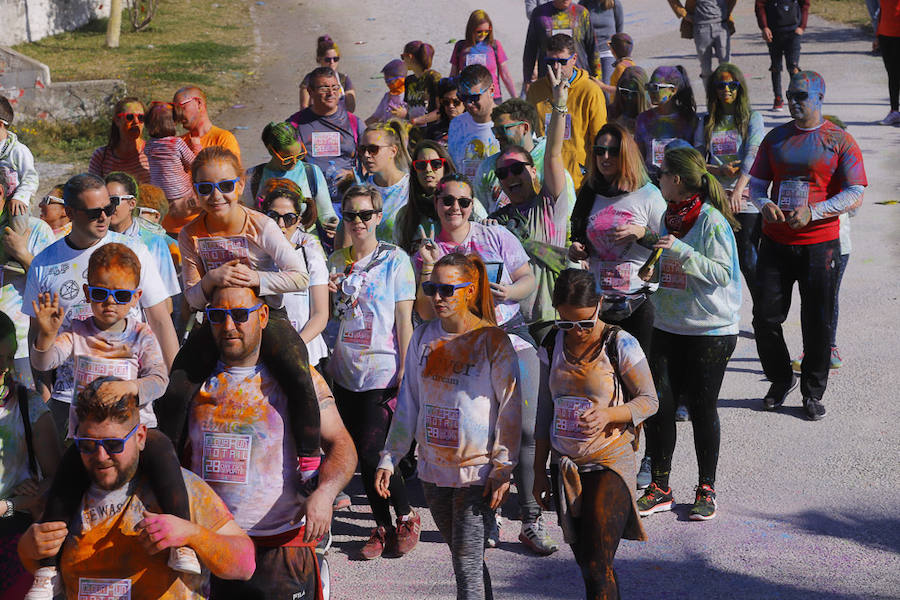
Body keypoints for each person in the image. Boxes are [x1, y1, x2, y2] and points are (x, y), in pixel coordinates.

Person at [26, 243, 198, 598]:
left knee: (166, 459)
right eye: (101, 293)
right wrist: (44, 335)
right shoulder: (77, 329)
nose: (109, 302)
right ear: (88, 292)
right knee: (62, 490)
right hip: (88, 440)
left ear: (135, 296)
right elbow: (45, 363)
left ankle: (183, 540)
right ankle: (47, 572)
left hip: (135, 435)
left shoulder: (140, 335)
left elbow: (159, 380)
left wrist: (132, 387)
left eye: (120, 295)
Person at [159, 146, 322, 483]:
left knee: (297, 371)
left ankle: (309, 456)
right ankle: (167, 463)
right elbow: (190, 296)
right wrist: (211, 280)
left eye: (225, 186)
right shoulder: (190, 233)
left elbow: (300, 276)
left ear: (240, 183)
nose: (216, 196)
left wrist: (258, 278)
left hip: (264, 317)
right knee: (176, 386)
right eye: (204, 188)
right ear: (195, 191)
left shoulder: (260, 224)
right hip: (217, 320)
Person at [181, 284, 356, 598]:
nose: (229, 326)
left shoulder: (297, 381)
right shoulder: (192, 384)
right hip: (210, 547)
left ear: (262, 316)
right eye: (218, 316)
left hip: (280, 548)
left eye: (239, 315)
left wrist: (325, 494)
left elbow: (342, 444)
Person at [414, 175, 556, 555]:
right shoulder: (429, 251)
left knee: (527, 431)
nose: (455, 208)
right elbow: (425, 312)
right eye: (447, 201)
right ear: (436, 203)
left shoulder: (496, 236)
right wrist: (427, 269)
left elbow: (527, 277)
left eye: (462, 201)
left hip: (509, 335)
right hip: (463, 349)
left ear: (472, 203)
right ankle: (487, 517)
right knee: (480, 433)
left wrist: (508, 291)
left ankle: (530, 517)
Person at [17, 377, 256, 598]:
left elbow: (245, 565)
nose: (101, 456)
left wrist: (193, 534)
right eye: (88, 445)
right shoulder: (63, 496)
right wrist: (28, 548)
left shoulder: (183, 490)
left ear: (140, 437)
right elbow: (41, 566)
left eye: (113, 444)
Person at [377, 252, 522, 600]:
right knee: (464, 558)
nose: (437, 297)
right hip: (433, 470)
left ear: (469, 291)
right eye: (431, 288)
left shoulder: (493, 341)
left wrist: (503, 467)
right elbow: (408, 401)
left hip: (478, 471)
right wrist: (390, 456)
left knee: (466, 566)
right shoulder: (423, 337)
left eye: (446, 289)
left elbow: (511, 410)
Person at [748, 71, 866, 421]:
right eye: (789, 95)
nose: (794, 102)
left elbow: (856, 191)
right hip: (775, 240)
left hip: (819, 244)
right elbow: (756, 184)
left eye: (801, 95)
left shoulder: (839, 140)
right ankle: (780, 379)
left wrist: (814, 212)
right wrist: (762, 204)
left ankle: (812, 393)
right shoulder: (776, 137)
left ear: (819, 97)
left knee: (818, 321)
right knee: (764, 318)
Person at [534, 268, 658, 599]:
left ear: (600, 304)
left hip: (610, 462)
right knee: (590, 568)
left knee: (597, 564)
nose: (576, 332)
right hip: (565, 466)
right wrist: (537, 473)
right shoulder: (550, 344)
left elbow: (650, 401)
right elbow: (543, 410)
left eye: (585, 324)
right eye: (566, 323)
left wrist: (608, 414)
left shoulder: (620, 343)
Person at [22, 173, 179, 433]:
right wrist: (45, 394)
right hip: (70, 402)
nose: (105, 217)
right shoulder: (44, 263)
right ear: (70, 212)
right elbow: (36, 333)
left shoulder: (135, 251)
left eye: (109, 208)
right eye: (95, 212)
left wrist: (173, 386)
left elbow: (160, 320)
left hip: (128, 399)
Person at [636, 145, 741, 522]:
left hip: (710, 330)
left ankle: (706, 489)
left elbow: (722, 274)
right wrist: (653, 274)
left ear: (676, 180)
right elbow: (671, 261)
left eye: (661, 174)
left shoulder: (712, 221)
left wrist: (679, 251)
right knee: (659, 405)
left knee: (701, 407)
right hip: (667, 324)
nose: (657, 179)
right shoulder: (670, 216)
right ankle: (660, 487)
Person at [326, 184, 420, 560]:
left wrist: (407, 371)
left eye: (366, 214)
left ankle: (407, 516)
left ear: (378, 217)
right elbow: (329, 318)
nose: (358, 221)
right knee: (359, 454)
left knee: (373, 451)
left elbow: (404, 318)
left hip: (382, 368)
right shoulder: (334, 261)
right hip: (344, 369)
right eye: (351, 215)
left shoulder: (395, 259)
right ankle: (381, 526)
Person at [568, 122, 665, 364]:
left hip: (639, 301)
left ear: (626, 154)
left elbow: (673, 241)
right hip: (600, 303)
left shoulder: (648, 194)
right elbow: (578, 237)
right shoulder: (589, 191)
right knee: (605, 374)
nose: (605, 157)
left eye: (613, 151)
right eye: (599, 151)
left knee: (641, 374)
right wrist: (576, 249)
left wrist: (642, 233)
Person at [489, 63, 572, 335]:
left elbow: (554, 154)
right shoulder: (496, 223)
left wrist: (559, 106)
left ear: (533, 171)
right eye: (503, 172)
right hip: (513, 325)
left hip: (555, 320)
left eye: (517, 169)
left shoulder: (550, 205)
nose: (510, 176)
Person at [0, 311, 61, 599]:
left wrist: (16, 502)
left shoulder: (29, 405)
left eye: (10, 357)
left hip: (15, 535)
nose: (5, 368)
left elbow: (56, 479)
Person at [698, 64, 765, 303]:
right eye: (720, 85)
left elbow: (753, 154)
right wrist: (718, 170)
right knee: (715, 256)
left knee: (748, 257)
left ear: (740, 88)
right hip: (714, 197)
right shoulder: (706, 121)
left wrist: (737, 190)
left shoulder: (752, 118)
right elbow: (697, 159)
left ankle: (763, 312)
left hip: (744, 198)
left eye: (732, 85)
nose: (726, 90)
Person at [261, 179, 329, 369]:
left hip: (306, 356)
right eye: (273, 216)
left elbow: (320, 315)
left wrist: (293, 347)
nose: (281, 225)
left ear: (298, 221)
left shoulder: (311, 257)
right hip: (265, 357)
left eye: (289, 218)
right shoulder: (255, 260)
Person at [527, 33, 608, 190]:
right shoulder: (536, 91)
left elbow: (599, 138)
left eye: (562, 61)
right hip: (545, 180)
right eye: (551, 62)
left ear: (574, 59)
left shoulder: (590, 91)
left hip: (579, 181)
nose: (556, 67)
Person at [0, 177, 55, 392]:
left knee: (25, 412)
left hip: (20, 346)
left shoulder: (36, 230)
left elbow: (51, 285)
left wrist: (22, 254)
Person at [474, 98, 575, 214]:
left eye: (502, 130)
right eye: (494, 130)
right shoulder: (487, 168)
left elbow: (567, 218)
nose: (497, 136)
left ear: (525, 128)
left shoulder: (549, 167)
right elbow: (479, 214)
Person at [104, 172, 182, 318]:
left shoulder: (154, 242)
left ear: (132, 204)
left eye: (114, 200)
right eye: (104, 201)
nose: (109, 206)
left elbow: (167, 300)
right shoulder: (96, 238)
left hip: (141, 328)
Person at [244, 121, 338, 238]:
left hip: (304, 243)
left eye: (299, 155)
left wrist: (331, 222)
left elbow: (326, 212)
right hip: (267, 242)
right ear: (271, 151)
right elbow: (246, 216)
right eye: (287, 159)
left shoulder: (311, 172)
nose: (294, 162)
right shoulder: (253, 175)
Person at [288, 67, 365, 206]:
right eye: (324, 88)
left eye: (335, 88)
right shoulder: (294, 125)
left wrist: (353, 174)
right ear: (310, 91)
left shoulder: (355, 123)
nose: (331, 93)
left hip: (349, 204)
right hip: (309, 205)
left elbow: (373, 163)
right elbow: (281, 165)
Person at [396, 141, 473, 254]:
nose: (428, 169)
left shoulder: (467, 203)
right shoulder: (405, 215)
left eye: (436, 164)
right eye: (421, 165)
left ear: (445, 167)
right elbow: (400, 256)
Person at [634, 66, 700, 180]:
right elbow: (639, 157)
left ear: (673, 90)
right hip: (650, 181)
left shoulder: (688, 119)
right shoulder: (643, 119)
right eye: (648, 87)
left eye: (656, 87)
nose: (651, 92)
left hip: (679, 181)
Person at [523, 0, 602, 93]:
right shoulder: (539, 14)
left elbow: (593, 48)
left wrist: (598, 78)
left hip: (578, 80)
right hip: (548, 80)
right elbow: (530, 49)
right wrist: (527, 80)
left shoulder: (582, 13)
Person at [143, 102, 196, 230]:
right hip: (182, 193)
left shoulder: (149, 145)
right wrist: (196, 147)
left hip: (161, 193)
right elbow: (193, 163)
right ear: (171, 123)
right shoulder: (177, 143)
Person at [361, 120, 412, 243]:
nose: (366, 155)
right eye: (363, 149)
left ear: (393, 151)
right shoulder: (361, 189)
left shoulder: (411, 187)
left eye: (373, 149)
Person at [450, 11, 517, 102]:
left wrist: (515, 98)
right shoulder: (460, 46)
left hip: (492, 97)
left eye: (487, 31)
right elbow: (453, 75)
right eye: (479, 32)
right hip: (468, 98)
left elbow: (505, 74)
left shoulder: (495, 45)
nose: (483, 35)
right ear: (471, 29)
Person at [448, 65, 501, 180]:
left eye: (474, 98)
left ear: (491, 90)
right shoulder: (456, 125)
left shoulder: (509, 123)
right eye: (463, 97)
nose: (468, 104)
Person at [755, 0, 809, 111]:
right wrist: (764, 27)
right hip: (773, 32)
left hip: (793, 32)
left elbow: (805, 5)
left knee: (793, 67)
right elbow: (759, 6)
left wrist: (802, 26)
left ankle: (797, 98)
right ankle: (778, 98)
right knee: (776, 67)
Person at [667, 0, 737, 87]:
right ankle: (710, 97)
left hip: (722, 26)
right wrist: (684, 14)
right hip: (701, 28)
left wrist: (727, 11)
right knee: (706, 69)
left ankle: (727, 96)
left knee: (726, 67)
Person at [87, 97, 151, 184]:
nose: (136, 122)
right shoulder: (101, 157)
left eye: (141, 117)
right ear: (117, 120)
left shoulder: (153, 153)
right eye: (129, 117)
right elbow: (93, 189)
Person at [173, 86, 241, 160]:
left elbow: (231, 171)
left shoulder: (223, 139)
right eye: (174, 110)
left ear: (198, 103)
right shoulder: (179, 143)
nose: (177, 114)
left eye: (180, 107)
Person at [0, 96, 39, 219]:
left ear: (0, 124)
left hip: (13, 205)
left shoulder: (18, 151)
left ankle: (20, 238)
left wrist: (20, 197)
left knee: (19, 216)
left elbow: (30, 178)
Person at [299, 35, 357, 113]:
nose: (332, 62)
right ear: (319, 59)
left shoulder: (343, 79)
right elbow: (304, 107)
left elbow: (351, 107)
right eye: (328, 59)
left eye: (335, 59)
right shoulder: (310, 79)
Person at [580, 0, 624, 84]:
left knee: (606, 88)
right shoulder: (584, 4)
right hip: (589, 53)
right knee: (592, 86)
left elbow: (619, 31)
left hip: (608, 52)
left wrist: (619, 54)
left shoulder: (614, 4)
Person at [400, 41, 443, 126]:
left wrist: (417, 121)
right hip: (413, 131)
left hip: (431, 131)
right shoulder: (409, 80)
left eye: (402, 57)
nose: (403, 61)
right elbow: (409, 109)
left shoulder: (433, 77)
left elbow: (441, 110)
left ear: (409, 57)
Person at [608, 65, 651, 133]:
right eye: (625, 92)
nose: (629, 97)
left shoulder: (653, 118)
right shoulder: (610, 114)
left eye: (634, 94)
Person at [366, 60, 411, 126]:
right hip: (389, 133)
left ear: (401, 80)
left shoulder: (411, 96)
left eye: (389, 81)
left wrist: (405, 114)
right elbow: (375, 117)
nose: (387, 84)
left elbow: (420, 116)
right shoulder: (387, 97)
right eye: (385, 80)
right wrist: (359, 127)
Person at [877, 0, 900, 125]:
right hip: (885, 33)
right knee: (892, 74)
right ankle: (894, 111)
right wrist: (877, 34)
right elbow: (881, 9)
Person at [593, 32, 636, 99]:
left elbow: (623, 90)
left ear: (612, 50)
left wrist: (602, 86)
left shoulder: (621, 67)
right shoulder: (631, 63)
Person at [424, 77, 465, 145]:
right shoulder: (433, 131)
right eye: (446, 102)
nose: (451, 106)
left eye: (456, 102)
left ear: (465, 102)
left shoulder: (473, 128)